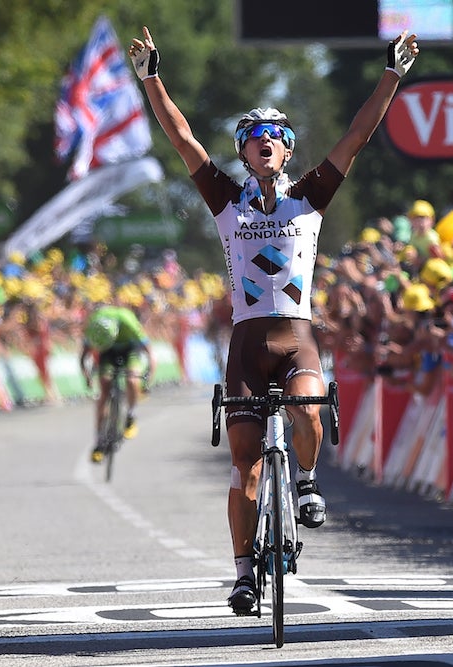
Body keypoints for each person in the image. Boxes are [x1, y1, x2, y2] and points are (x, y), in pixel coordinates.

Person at [129, 25, 418, 615]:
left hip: (295, 337)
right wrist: (152, 80)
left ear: (287, 149)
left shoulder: (308, 198)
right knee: (243, 465)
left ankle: (308, 483)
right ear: (242, 151)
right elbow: (182, 138)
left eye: (275, 137)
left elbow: (357, 136)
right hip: (246, 345)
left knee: (309, 406)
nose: (264, 142)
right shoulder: (225, 201)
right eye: (252, 137)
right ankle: (241, 574)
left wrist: (391, 74)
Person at [80, 304, 156, 463]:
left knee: (131, 379)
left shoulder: (127, 321)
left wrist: (148, 377)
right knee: (104, 386)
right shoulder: (93, 325)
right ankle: (99, 440)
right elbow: (83, 357)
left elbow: (149, 353)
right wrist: (87, 376)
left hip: (129, 349)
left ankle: (130, 415)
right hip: (107, 352)